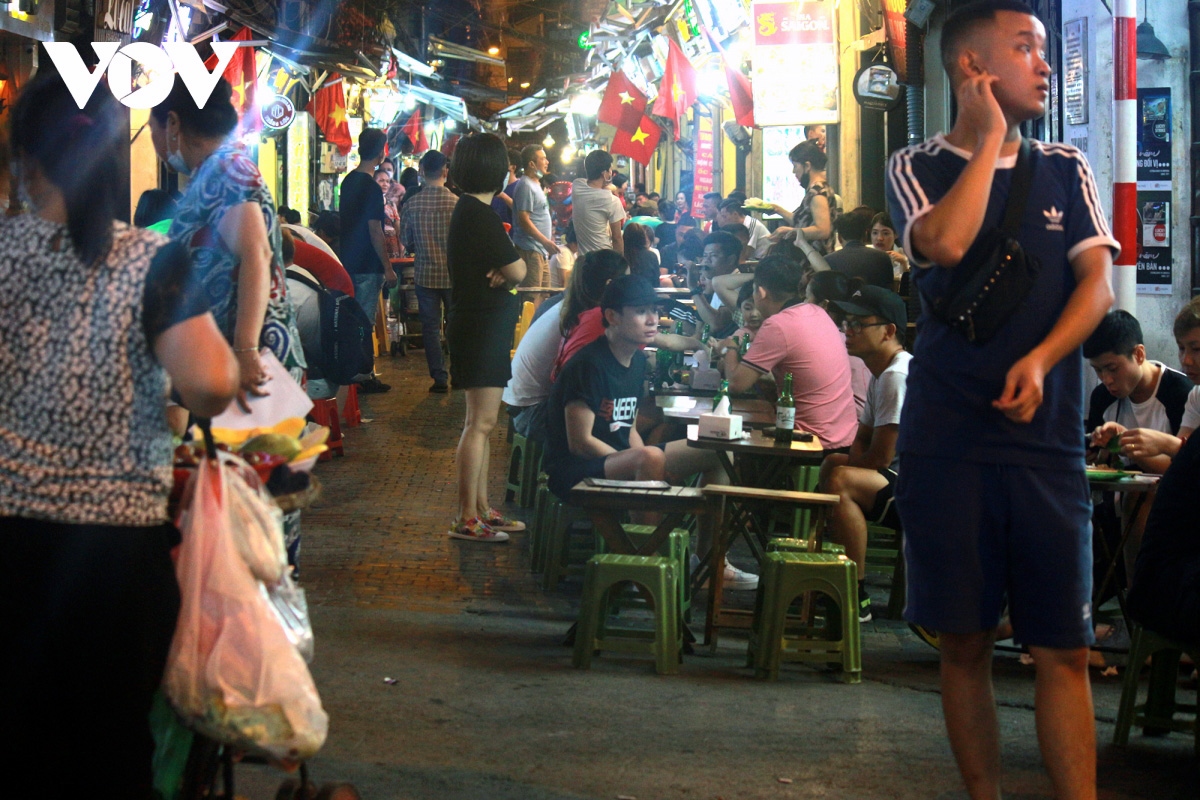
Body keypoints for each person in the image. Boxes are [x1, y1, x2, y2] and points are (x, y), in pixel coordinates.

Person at [884, 3, 1119, 797]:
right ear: (971, 68)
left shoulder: (1066, 167)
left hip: (1048, 446)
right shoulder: (917, 165)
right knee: (964, 641)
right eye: (1025, 49)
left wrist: (1047, 359)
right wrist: (987, 139)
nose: (1044, 65)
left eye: (1045, 50)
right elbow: (947, 245)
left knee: (1063, 648)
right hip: (947, 438)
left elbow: (1097, 285)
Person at [2, 73, 238, 798]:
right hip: (112, 556)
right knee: (108, 749)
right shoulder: (148, 260)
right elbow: (210, 383)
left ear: (22, 160)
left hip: (8, 548)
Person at [543, 276, 755, 589]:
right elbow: (580, 442)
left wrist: (645, 461)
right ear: (613, 316)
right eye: (642, 311)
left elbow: (626, 427)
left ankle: (709, 561)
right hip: (573, 470)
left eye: (655, 311)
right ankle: (646, 566)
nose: (654, 319)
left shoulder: (638, 360)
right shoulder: (589, 364)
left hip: (617, 461)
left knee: (719, 448)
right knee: (650, 456)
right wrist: (640, 462)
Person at [151, 77, 307, 402]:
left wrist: (246, 350)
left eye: (153, 129)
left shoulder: (226, 168)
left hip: (247, 366)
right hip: (228, 359)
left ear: (173, 123)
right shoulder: (218, 168)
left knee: (255, 451)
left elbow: (256, 253)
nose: (154, 140)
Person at [445, 133, 527, 542]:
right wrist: (509, 273)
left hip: (479, 324)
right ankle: (465, 516)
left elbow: (507, 268)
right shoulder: (479, 214)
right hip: (479, 326)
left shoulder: (472, 211)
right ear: (497, 170)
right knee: (479, 423)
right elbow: (519, 271)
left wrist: (506, 271)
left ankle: (481, 508)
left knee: (483, 422)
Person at [818, 287, 911, 623]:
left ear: (888, 331)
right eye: (846, 322)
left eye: (859, 323)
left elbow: (880, 458)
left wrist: (842, 465)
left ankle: (853, 595)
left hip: (931, 491)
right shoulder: (882, 373)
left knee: (841, 478)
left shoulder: (896, 376)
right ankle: (824, 572)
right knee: (834, 464)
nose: (848, 330)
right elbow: (863, 441)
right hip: (901, 480)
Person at [721, 256, 858, 451]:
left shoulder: (777, 325)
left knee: (726, 442)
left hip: (808, 441)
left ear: (760, 292)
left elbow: (735, 385)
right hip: (845, 439)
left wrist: (731, 346)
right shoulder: (817, 312)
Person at [505, 250, 627, 444]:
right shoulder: (593, 317)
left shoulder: (570, 304)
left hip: (523, 409)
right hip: (534, 414)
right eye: (626, 282)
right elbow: (573, 383)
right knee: (623, 422)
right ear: (610, 285)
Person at [1085, 310, 1192, 475]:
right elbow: (1098, 461)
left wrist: (1128, 445)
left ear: (1139, 354)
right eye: (1098, 370)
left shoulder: (1182, 394)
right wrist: (1093, 454)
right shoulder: (1102, 397)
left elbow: (1184, 467)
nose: (1106, 379)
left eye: (1112, 369)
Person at [401, 149, 457, 393]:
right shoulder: (457, 204)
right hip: (453, 275)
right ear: (446, 171)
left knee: (430, 328)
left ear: (422, 171)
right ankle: (459, 373)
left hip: (424, 274)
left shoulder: (412, 204)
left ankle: (440, 378)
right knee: (455, 325)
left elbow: (406, 240)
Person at [338, 128, 398, 321]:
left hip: (347, 261)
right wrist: (388, 268)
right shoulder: (372, 188)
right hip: (368, 265)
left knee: (350, 319)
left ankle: (353, 351)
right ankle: (363, 351)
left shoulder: (348, 181)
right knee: (364, 321)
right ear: (381, 153)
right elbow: (375, 230)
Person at [766, 141, 838, 256]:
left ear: (807, 166)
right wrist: (777, 209)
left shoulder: (817, 193)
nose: (794, 171)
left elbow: (822, 230)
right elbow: (804, 221)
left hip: (813, 261)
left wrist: (790, 231)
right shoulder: (819, 189)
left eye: (795, 166)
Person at [512, 145, 559, 288]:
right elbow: (524, 220)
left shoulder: (536, 183)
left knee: (543, 294)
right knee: (531, 296)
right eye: (543, 158)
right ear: (532, 164)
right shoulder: (525, 185)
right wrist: (545, 241)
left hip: (540, 250)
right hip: (530, 250)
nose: (547, 162)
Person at [825, 206, 895, 289]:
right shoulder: (883, 257)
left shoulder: (828, 260)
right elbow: (890, 289)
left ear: (839, 238)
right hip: (874, 301)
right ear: (865, 235)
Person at [571, 150, 625, 255]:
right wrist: (619, 266)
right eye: (610, 169)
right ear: (604, 174)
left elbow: (601, 187)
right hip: (602, 258)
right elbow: (617, 238)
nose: (611, 173)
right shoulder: (611, 201)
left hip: (583, 259)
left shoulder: (577, 186)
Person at [690, 231, 741, 333]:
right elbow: (703, 329)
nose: (706, 261)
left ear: (731, 260)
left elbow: (716, 323)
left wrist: (694, 288)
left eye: (713, 255)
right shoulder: (718, 281)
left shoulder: (738, 287)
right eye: (705, 256)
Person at [869, 212, 910, 282]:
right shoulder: (864, 254)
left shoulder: (906, 256)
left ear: (896, 234)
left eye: (885, 233)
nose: (879, 238)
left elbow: (908, 289)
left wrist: (904, 264)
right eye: (875, 233)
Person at [623, 222, 661, 286]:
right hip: (648, 292)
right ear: (642, 238)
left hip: (626, 293)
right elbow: (656, 281)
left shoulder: (621, 256)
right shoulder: (651, 255)